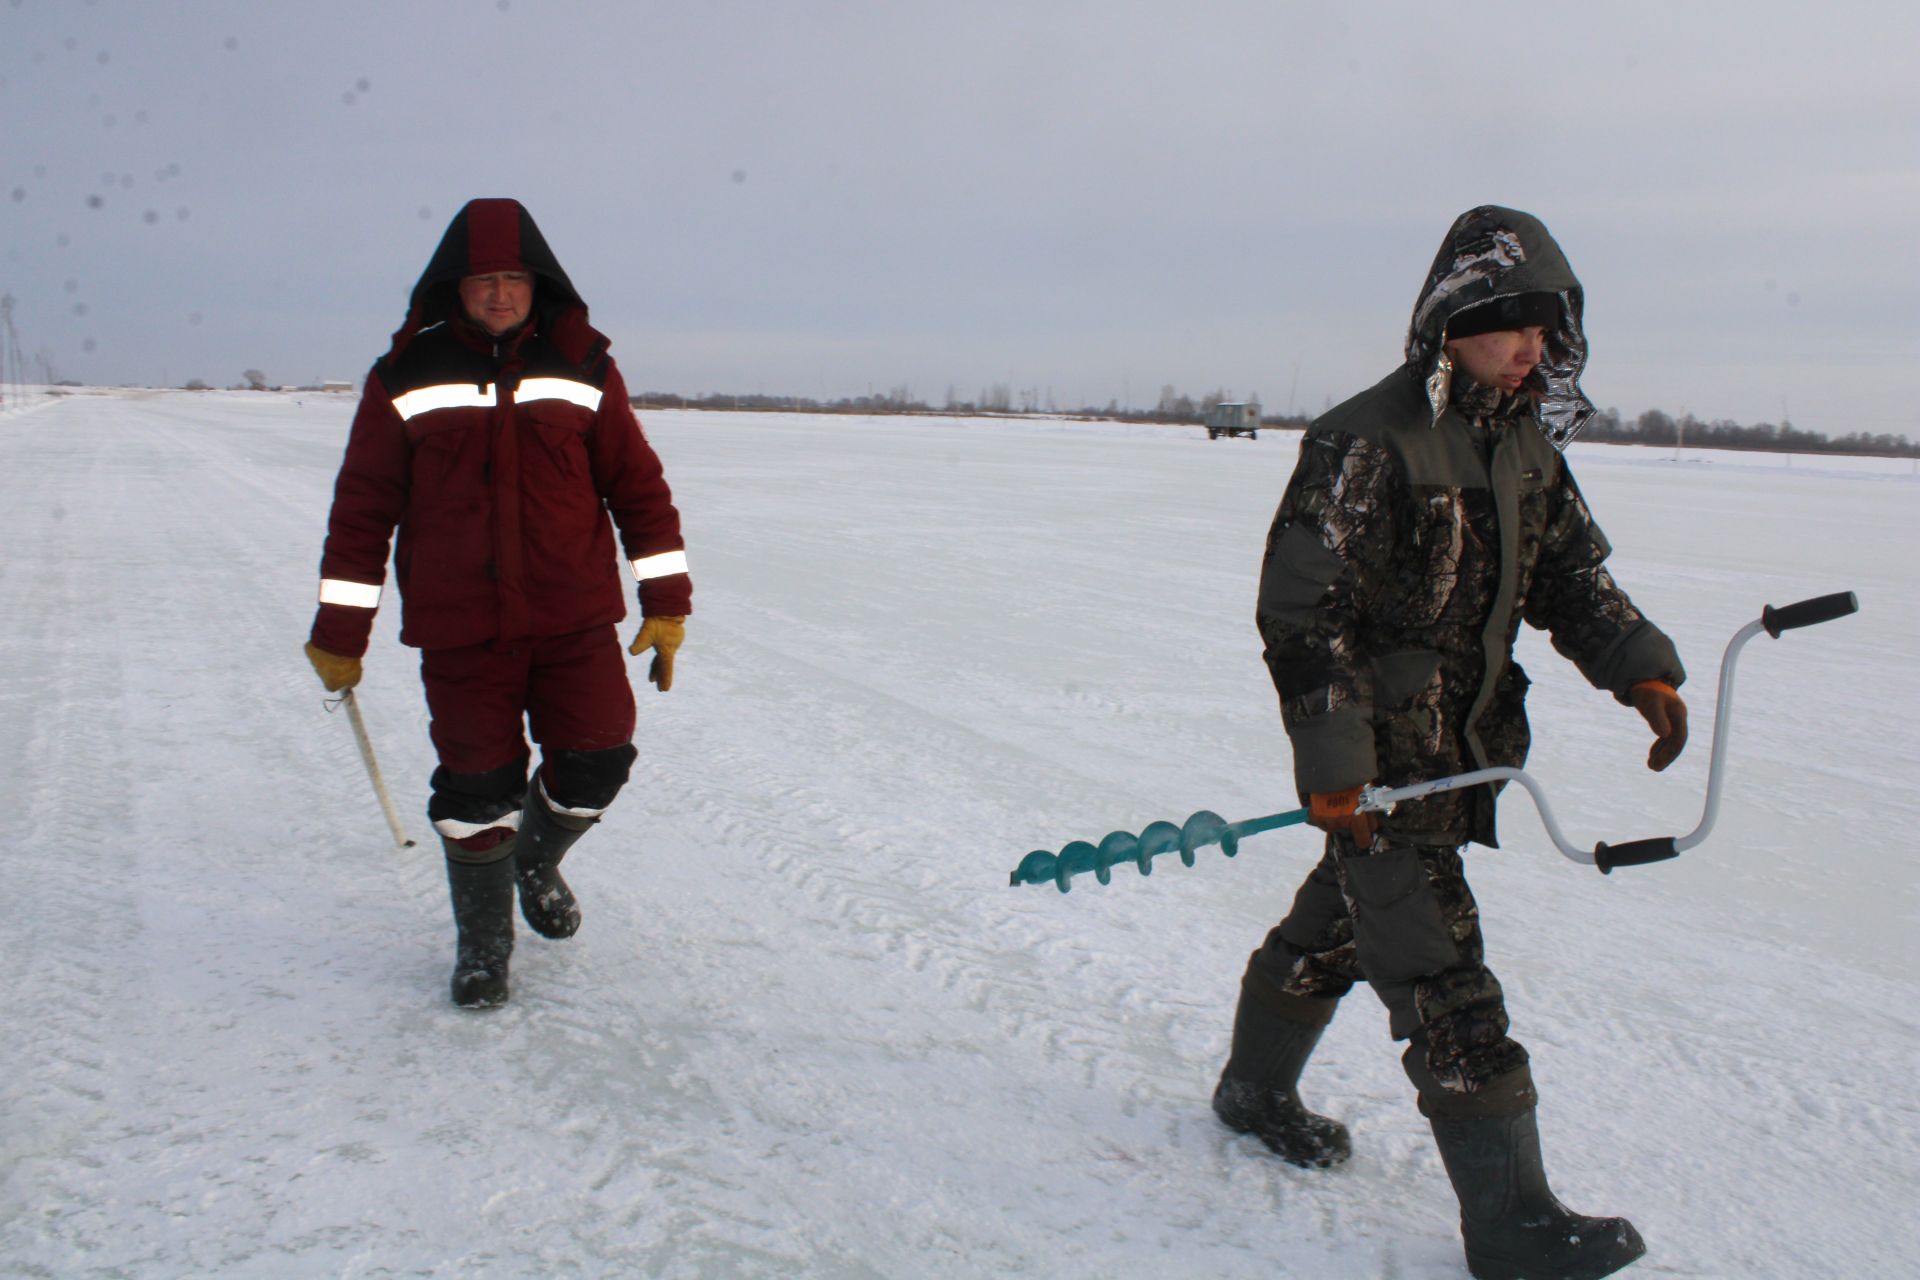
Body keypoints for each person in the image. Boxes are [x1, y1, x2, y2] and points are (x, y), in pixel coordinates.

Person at [1214, 206, 1687, 1280]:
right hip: (1380, 772)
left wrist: (1640, 667)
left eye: (1546, 327)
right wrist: (1336, 761)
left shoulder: (1521, 442)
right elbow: (1305, 611)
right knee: (1445, 980)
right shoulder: (1367, 439)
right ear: (1452, 319)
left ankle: (1251, 1089)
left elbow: (1568, 577)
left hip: (1457, 754)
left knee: (1335, 928)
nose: (1533, 347)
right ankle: (1513, 1225)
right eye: (1511, 324)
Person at [303, 198, 692, 1010]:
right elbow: (363, 507)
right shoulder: (405, 374)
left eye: (515, 277)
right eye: (485, 279)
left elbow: (639, 489)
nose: (501, 294)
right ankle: (483, 944)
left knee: (597, 761)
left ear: (538, 282)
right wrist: (342, 630)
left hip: (573, 619)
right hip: (461, 631)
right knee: (476, 789)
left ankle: (535, 860)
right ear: (457, 285)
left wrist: (666, 600)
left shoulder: (584, 365)